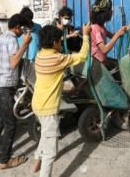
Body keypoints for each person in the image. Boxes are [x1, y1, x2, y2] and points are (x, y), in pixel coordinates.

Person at [31, 23, 91, 177]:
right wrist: (86, 35)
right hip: (48, 108)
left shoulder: (40, 54)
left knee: (45, 133)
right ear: (53, 43)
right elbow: (83, 56)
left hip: (37, 104)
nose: (60, 43)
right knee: (51, 152)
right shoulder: (58, 58)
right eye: (59, 41)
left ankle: (36, 160)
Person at [0, 14, 32, 169]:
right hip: (3, 87)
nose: (23, 32)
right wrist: (25, 45)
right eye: (23, 28)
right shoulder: (12, 39)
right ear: (17, 27)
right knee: (10, 124)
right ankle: (5, 160)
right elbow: (13, 63)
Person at [90, 0, 130, 69]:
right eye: (110, 10)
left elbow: (113, 36)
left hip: (101, 62)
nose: (112, 12)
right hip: (97, 65)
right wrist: (118, 34)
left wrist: (127, 28)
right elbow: (104, 50)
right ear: (104, 14)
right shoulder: (96, 29)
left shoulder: (101, 27)